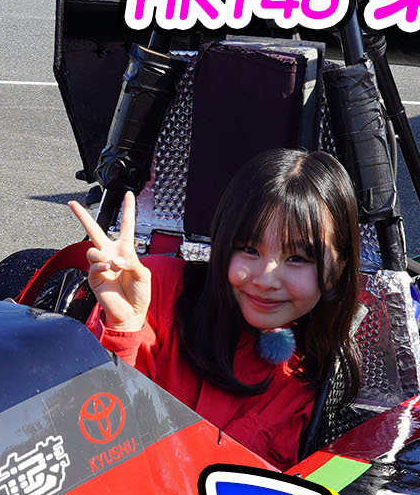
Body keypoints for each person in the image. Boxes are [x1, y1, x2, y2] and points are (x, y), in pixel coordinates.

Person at [68, 148, 361, 470]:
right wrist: (124, 328)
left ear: (338, 268)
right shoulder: (151, 290)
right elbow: (88, 437)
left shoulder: (310, 375)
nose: (266, 279)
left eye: (298, 258)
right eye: (249, 249)